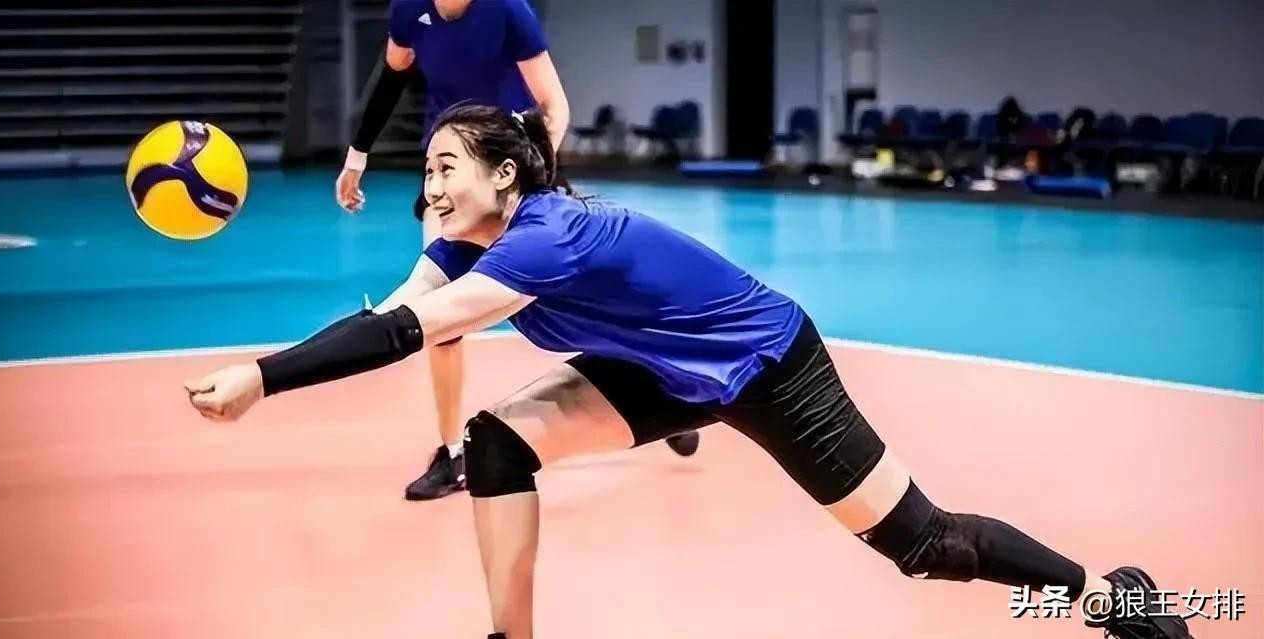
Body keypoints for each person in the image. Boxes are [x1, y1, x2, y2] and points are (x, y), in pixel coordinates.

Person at [186, 104, 1192, 639]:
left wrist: (261, 379)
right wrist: (272, 370)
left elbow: (412, 332)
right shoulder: (461, 245)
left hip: (767, 364)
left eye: (446, 166)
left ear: (505, 174)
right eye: (426, 170)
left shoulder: (545, 239)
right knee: (495, 443)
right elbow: (393, 316)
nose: (432, 186)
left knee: (923, 545)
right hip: (657, 372)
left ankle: (1111, 596)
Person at [332, 0, 699, 500]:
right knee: (440, 320)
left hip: (516, 181)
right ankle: (452, 453)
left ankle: (658, 378)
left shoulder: (507, 9)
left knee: (583, 303)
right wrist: (357, 156)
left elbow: (553, 105)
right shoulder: (410, 10)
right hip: (455, 181)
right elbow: (392, 76)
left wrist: (529, 183)